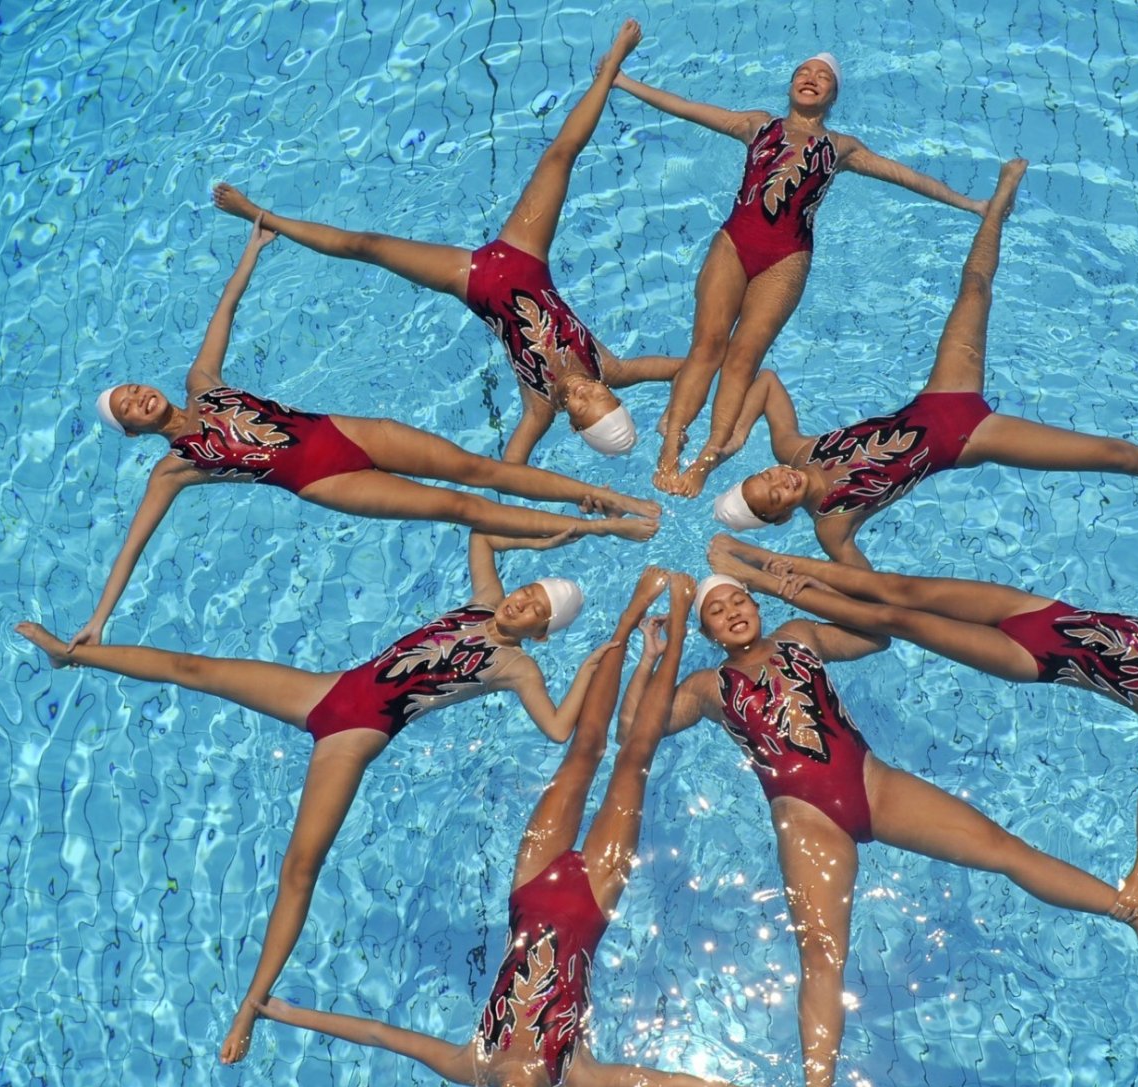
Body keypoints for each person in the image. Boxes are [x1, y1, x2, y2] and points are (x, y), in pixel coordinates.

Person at [247, 569, 810, 1087]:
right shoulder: (578, 1076)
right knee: (635, 757)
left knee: (583, 750)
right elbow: (674, 1086)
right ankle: (675, 625)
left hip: (532, 885)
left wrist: (275, 1012)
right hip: (593, 899)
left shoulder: (471, 1064)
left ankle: (626, 625)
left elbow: (379, 1034)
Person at [647, 572, 1138, 1087]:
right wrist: (668, 641)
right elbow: (644, 726)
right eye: (716, 611)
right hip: (807, 818)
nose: (732, 611)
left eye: (738, 599)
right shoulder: (708, 686)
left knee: (1004, 848)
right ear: (707, 630)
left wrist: (801, 592)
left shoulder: (799, 636)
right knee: (820, 956)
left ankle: (1137, 914)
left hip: (872, 782)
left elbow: (876, 638)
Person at [14, 532, 617, 1062]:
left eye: (537, 608)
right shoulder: (485, 599)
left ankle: (251, 1003)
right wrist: (539, 544)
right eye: (529, 590)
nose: (523, 600)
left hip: (355, 737)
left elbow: (559, 728)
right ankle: (73, 655)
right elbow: (482, 534)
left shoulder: (518, 668)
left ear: (541, 631)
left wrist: (588, 670)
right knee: (192, 667)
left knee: (299, 869)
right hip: (324, 690)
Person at [73, 214, 658, 654]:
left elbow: (224, 313)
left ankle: (617, 500)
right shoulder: (174, 467)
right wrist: (99, 620)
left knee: (482, 470)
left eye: (133, 388)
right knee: (461, 506)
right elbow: (133, 546)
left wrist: (251, 251)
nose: (138, 396)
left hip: (348, 431)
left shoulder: (202, 383)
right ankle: (600, 524)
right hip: (324, 479)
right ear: (131, 430)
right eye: (128, 406)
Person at [708, 462, 1138, 911]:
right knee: (897, 588)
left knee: (899, 621)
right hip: (1038, 610)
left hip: (1029, 655)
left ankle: (761, 579)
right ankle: (758, 554)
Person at [710, 159, 1138, 567]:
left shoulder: (797, 449)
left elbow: (764, 381)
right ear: (781, 516)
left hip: (940, 397)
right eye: (772, 499)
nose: (779, 483)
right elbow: (869, 595)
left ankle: (997, 201)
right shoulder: (832, 526)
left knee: (974, 288)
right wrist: (780, 575)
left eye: (764, 478)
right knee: (1118, 457)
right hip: (972, 439)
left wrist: (729, 442)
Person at [210, 20, 679, 464]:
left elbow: (513, 467)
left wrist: (581, 504)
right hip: (526, 256)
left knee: (367, 245)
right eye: (598, 397)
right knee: (560, 155)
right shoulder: (611, 368)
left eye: (580, 407)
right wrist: (676, 426)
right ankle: (612, 65)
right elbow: (696, 364)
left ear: (573, 427)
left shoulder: (540, 409)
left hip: (471, 281)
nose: (582, 392)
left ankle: (260, 216)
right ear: (613, 394)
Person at [611, 51, 989, 497]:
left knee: (743, 358)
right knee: (707, 345)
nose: (811, 78)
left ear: (833, 95)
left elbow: (904, 176)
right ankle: (671, 448)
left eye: (823, 76)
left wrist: (971, 205)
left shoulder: (840, 147)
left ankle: (706, 461)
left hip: (786, 259)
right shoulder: (758, 125)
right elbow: (686, 107)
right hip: (734, 244)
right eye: (804, 72)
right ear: (791, 84)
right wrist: (623, 82)